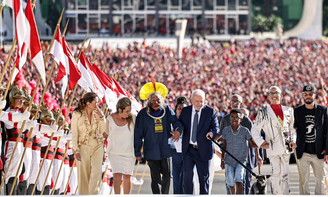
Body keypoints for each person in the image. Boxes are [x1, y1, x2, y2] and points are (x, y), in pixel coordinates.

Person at [134, 80, 183, 194]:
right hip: (151, 150)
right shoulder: (142, 114)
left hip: (166, 149)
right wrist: (137, 151)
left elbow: (177, 123)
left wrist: (178, 131)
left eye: (158, 100)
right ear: (148, 101)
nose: (156, 102)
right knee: (155, 178)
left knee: (167, 176)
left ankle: (164, 195)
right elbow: (138, 134)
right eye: (153, 100)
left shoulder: (167, 110)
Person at [251, 86, 297, 195]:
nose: (274, 95)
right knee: (276, 174)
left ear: (281, 96)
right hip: (272, 147)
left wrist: (293, 140)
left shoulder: (289, 110)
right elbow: (254, 130)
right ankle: (277, 194)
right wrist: (261, 142)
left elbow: (292, 129)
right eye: (271, 93)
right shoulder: (263, 112)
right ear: (269, 97)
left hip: (287, 147)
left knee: (285, 175)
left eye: (276, 93)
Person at [217, 94, 262, 194]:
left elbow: (253, 139)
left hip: (241, 158)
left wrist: (258, 156)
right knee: (229, 182)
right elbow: (220, 135)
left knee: (241, 180)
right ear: (230, 103)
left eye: (237, 101)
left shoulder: (246, 121)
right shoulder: (225, 119)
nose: (235, 103)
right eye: (233, 101)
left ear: (241, 104)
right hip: (228, 158)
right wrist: (209, 140)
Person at [179, 89, 219, 195]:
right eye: (197, 101)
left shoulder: (210, 111)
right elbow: (179, 125)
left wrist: (212, 134)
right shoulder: (185, 111)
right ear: (191, 100)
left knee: (204, 179)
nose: (199, 104)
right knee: (187, 177)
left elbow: (216, 128)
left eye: (201, 101)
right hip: (189, 150)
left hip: (204, 150)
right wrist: (177, 131)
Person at [294, 84, 328, 195]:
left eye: (310, 94)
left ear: (314, 95)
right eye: (306, 94)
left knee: (320, 180)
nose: (308, 96)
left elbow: (327, 131)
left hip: (319, 152)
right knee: (303, 181)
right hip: (303, 151)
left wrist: (327, 150)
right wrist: (291, 141)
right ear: (303, 96)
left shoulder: (323, 110)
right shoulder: (297, 111)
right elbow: (291, 129)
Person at [71, 92, 106, 195]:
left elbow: (103, 130)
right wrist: (75, 150)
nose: (97, 105)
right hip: (83, 147)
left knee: (96, 174)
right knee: (84, 176)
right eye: (96, 103)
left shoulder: (97, 114)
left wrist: (101, 117)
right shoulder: (77, 114)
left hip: (97, 147)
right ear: (88, 103)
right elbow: (74, 133)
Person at [103, 97, 136, 194]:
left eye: (130, 110)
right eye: (127, 111)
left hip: (129, 154)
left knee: (127, 177)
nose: (129, 113)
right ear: (120, 110)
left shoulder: (134, 118)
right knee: (116, 177)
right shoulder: (109, 119)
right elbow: (105, 135)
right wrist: (103, 151)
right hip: (114, 153)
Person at [172, 97, 187, 194]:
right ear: (176, 109)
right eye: (179, 108)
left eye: (184, 109)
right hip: (175, 154)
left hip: (187, 154)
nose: (181, 111)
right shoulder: (171, 122)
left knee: (187, 181)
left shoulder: (190, 122)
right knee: (177, 181)